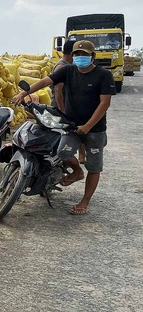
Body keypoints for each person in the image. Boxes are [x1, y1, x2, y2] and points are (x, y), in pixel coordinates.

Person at [12, 40, 114, 215]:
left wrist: (88, 126)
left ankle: (84, 201)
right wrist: (24, 92)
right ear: (72, 56)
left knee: (94, 167)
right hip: (71, 125)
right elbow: (45, 81)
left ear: (92, 56)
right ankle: (76, 171)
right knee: (62, 152)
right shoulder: (67, 70)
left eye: (84, 55)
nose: (80, 58)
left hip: (95, 130)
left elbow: (105, 103)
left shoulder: (103, 75)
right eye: (77, 54)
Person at [52, 40, 85, 163]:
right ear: (72, 53)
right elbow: (58, 90)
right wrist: (62, 110)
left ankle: (81, 156)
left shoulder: (70, 66)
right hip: (61, 106)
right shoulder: (62, 66)